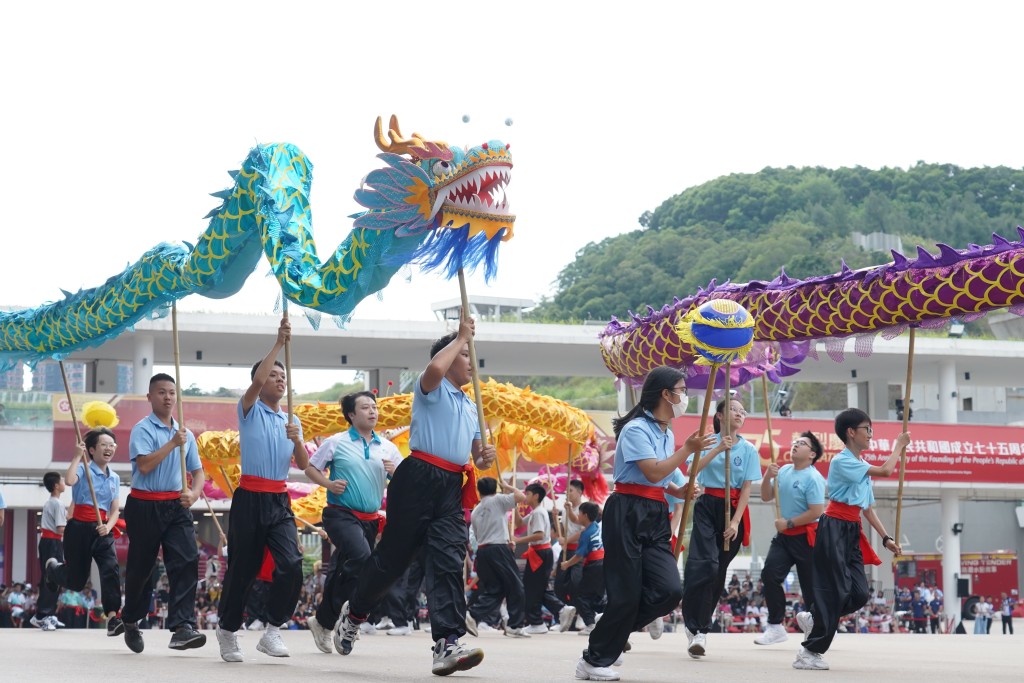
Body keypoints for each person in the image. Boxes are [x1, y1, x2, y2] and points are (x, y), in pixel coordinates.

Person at [335, 317, 496, 676]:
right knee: (392, 562)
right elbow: (435, 367)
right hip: (418, 477)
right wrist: (461, 337)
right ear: (448, 356)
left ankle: (447, 643)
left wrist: (483, 457)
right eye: (465, 354)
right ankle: (355, 613)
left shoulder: (472, 405)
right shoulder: (432, 387)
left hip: (451, 485)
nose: (471, 360)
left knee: (448, 561)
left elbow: (475, 453)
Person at [574, 365, 711, 682]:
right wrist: (687, 450)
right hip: (627, 511)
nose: (684, 396)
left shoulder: (666, 432)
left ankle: (612, 633)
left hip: (655, 512)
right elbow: (651, 472)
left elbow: (667, 478)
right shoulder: (636, 429)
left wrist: (680, 490)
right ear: (666, 394)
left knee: (669, 590)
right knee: (625, 593)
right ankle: (594, 660)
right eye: (681, 390)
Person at [215, 317, 308, 663]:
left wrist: (297, 439)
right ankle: (227, 629)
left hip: (279, 499)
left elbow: (300, 461)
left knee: (292, 563)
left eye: (283, 376)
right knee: (243, 568)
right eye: (274, 374)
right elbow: (257, 380)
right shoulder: (249, 409)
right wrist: (279, 343)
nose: (279, 380)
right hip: (250, 496)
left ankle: (273, 630)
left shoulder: (292, 418)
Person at [794, 408, 909, 670]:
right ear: (851, 432)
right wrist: (898, 446)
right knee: (836, 591)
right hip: (834, 526)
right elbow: (887, 471)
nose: (870, 434)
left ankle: (815, 616)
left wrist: (886, 538)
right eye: (866, 429)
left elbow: (867, 509)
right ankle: (808, 653)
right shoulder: (842, 461)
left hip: (851, 529)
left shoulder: (860, 466)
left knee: (858, 594)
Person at [303, 390, 402, 654]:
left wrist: (398, 474)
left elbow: (405, 483)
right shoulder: (336, 442)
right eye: (365, 407)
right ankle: (348, 610)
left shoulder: (389, 447)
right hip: (340, 514)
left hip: (370, 520)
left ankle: (323, 621)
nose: (372, 411)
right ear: (351, 414)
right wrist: (328, 483)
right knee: (361, 558)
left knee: (341, 569)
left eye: (374, 407)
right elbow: (311, 468)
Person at [122, 373, 207, 653]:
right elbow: (144, 465)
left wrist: (194, 493)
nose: (168, 397)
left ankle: (182, 627)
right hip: (144, 504)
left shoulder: (185, 433)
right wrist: (172, 443)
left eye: (172, 392)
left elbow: (198, 471)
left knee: (187, 560)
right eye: (161, 392)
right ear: (150, 397)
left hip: (176, 506)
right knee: (142, 569)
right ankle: (132, 620)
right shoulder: (142, 429)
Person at [680, 396, 761, 658]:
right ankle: (697, 628)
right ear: (719, 415)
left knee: (718, 571)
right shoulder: (708, 441)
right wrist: (717, 449)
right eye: (734, 410)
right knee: (704, 564)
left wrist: (736, 522)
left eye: (743, 411)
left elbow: (747, 488)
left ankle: (700, 626)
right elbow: (691, 470)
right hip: (707, 506)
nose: (740, 414)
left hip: (733, 511)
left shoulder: (748, 449)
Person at [44, 428, 124, 636]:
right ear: (91, 449)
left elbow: (115, 509)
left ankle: (113, 617)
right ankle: (53, 569)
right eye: (104, 445)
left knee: (110, 569)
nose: (109, 449)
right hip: (78, 528)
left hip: (102, 529)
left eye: (112, 445)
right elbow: (69, 481)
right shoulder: (83, 469)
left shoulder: (114, 477)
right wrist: (77, 456)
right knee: (77, 581)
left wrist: (108, 525)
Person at [755, 431, 825, 646]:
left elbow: (816, 511)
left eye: (802, 443)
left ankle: (818, 628)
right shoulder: (784, 471)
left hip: (807, 538)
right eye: (795, 442)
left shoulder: (814, 478)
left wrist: (790, 522)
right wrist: (768, 475)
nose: (795, 445)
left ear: (812, 454)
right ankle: (775, 627)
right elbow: (766, 496)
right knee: (769, 576)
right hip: (784, 538)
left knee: (810, 588)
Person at [467, 476, 529, 638]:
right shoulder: (498, 500)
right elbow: (522, 497)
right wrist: (509, 488)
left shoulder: (476, 511)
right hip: (498, 549)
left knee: (496, 589)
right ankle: (515, 625)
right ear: (496, 490)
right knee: (516, 586)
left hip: (483, 551)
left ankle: (472, 614)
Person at [514, 483, 563, 634]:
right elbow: (519, 523)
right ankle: (559, 610)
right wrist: (513, 504)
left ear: (535, 496)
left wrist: (517, 540)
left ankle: (538, 621)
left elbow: (539, 535)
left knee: (532, 588)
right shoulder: (535, 512)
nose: (525, 497)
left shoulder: (538, 513)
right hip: (538, 553)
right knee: (535, 587)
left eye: (527, 494)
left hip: (540, 552)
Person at [559, 501, 604, 637]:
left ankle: (590, 623)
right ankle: (602, 617)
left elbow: (579, 556)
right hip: (602, 563)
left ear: (584, 515)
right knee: (596, 596)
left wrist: (566, 564)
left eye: (579, 513)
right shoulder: (595, 526)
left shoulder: (586, 533)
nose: (578, 516)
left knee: (580, 595)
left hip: (594, 565)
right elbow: (575, 520)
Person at [32, 472, 67, 631]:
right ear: (56, 486)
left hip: (49, 542)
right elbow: (61, 528)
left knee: (53, 578)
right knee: (51, 578)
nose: (64, 482)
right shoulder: (57, 504)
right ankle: (42, 616)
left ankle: (48, 613)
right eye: (62, 480)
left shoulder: (50, 503)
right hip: (52, 542)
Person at [554, 479, 585, 631]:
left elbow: (582, 530)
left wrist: (566, 540)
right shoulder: (566, 508)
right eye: (567, 491)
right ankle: (564, 615)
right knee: (559, 584)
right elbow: (562, 530)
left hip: (579, 550)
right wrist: (555, 517)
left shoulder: (585, 508)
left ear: (580, 492)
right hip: (566, 550)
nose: (567, 493)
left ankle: (582, 614)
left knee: (576, 583)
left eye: (570, 490)